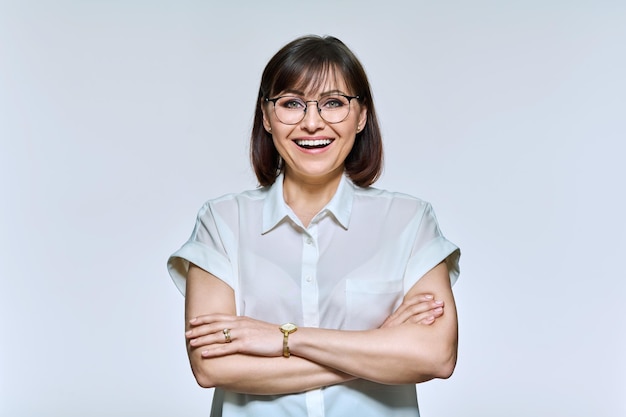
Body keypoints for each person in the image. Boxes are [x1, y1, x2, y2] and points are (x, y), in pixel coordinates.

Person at [167, 35, 460, 417]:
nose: (311, 122)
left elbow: (435, 356)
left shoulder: (409, 221)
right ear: (267, 118)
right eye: (291, 104)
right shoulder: (222, 222)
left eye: (334, 103)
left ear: (361, 117)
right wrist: (378, 347)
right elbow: (212, 366)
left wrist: (281, 338)